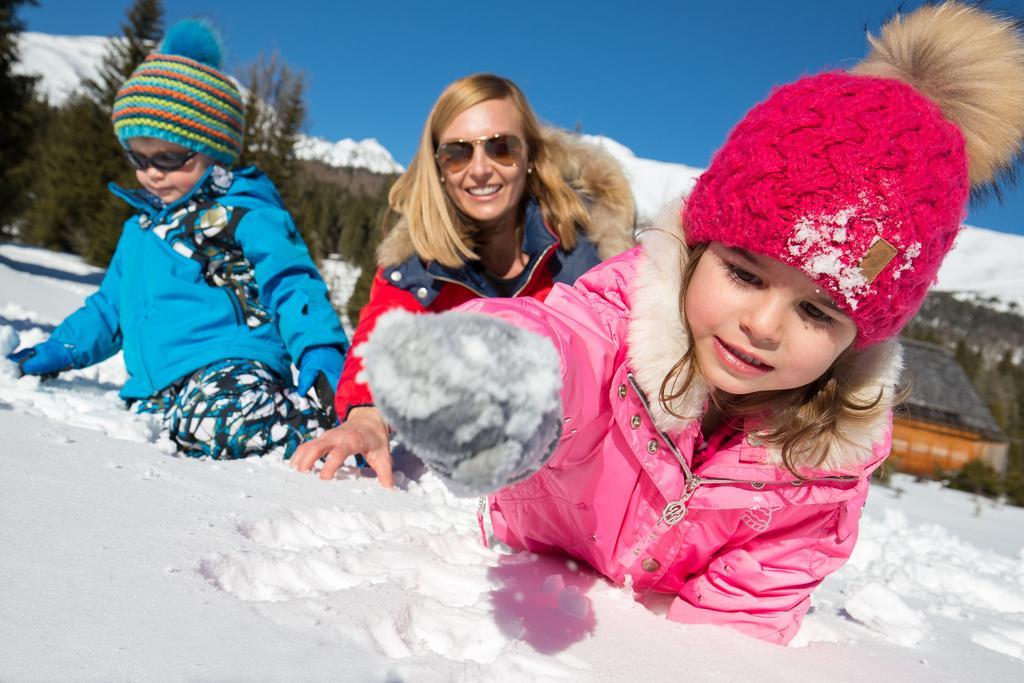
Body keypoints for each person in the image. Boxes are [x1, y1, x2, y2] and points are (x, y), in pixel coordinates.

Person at [357, 3, 1024, 643]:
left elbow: (745, 619)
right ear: (698, 249)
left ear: (861, 338)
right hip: (508, 578)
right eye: (744, 274)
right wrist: (499, 372)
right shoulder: (620, 322)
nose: (763, 323)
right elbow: (568, 347)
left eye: (817, 309)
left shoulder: (822, 470)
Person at [6, 19, 348, 460]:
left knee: (224, 420)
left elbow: (290, 281)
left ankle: (324, 433)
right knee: (179, 428)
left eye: (169, 157)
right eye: (138, 158)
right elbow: (110, 309)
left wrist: (320, 347)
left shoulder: (242, 212)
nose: (151, 173)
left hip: (230, 365)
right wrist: (60, 349)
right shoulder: (138, 232)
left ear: (216, 150)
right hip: (155, 389)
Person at [290, 74, 636, 485]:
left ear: (530, 156)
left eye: (501, 148)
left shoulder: (588, 248)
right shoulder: (416, 257)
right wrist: (366, 418)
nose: (480, 169)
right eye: (457, 153)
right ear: (438, 166)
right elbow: (383, 334)